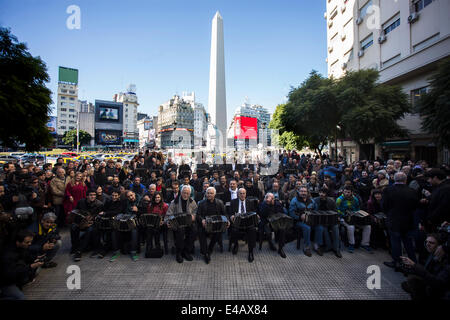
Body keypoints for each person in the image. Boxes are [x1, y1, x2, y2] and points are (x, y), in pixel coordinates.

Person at [383, 172, 419, 269]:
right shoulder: (412, 191)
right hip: (407, 220)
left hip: (394, 220)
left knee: (395, 242)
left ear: (394, 179)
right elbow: (416, 206)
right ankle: (413, 262)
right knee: (408, 242)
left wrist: (389, 213)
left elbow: (384, 205)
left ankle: (397, 262)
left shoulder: (388, 190)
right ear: (405, 180)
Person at [400, 233, 450, 300]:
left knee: (413, 282)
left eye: (431, 243)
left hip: (440, 290)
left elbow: (438, 282)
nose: (427, 244)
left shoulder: (446, 261)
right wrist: (410, 267)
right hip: (432, 284)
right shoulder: (431, 254)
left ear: (439, 246)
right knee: (408, 282)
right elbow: (426, 271)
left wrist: (415, 265)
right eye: (426, 242)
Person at [0, 230, 44, 300]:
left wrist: (35, 259)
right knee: (21, 298)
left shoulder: (22, 247)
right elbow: (10, 273)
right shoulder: (8, 255)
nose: (29, 244)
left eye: (30, 242)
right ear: (18, 242)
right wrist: (30, 266)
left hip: (17, 276)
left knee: (37, 269)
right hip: (6, 282)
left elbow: (26, 256)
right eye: (27, 242)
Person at [196, 187, 228, 264]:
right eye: (208, 193)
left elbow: (224, 214)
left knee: (218, 232)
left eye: (211, 193)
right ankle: (205, 253)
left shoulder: (219, 202)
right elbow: (198, 215)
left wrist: (227, 220)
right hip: (205, 224)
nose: (209, 194)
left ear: (215, 194)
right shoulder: (201, 203)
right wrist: (202, 220)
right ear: (206, 194)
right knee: (200, 232)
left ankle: (209, 249)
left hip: (216, 224)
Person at [336, 186, 372, 253]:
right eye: (345, 192)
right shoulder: (339, 199)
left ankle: (365, 244)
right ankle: (351, 244)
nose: (346, 193)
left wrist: (357, 214)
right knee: (351, 227)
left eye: (348, 192)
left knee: (367, 226)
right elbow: (337, 210)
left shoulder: (355, 199)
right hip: (343, 217)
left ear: (352, 192)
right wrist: (344, 214)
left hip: (354, 217)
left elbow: (357, 209)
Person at [166, 186, 197, 263]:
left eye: (187, 193)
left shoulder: (192, 201)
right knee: (180, 231)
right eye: (184, 192)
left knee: (194, 231)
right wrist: (168, 222)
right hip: (178, 224)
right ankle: (179, 253)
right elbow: (168, 215)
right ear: (181, 192)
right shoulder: (174, 202)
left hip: (189, 223)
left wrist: (194, 216)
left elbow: (196, 211)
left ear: (190, 193)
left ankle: (186, 251)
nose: (185, 194)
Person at [70, 189, 103, 262]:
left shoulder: (99, 204)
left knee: (90, 230)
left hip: (92, 223)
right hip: (81, 222)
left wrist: (91, 222)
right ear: (87, 196)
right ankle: (74, 246)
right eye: (91, 195)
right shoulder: (81, 202)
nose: (93, 197)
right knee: (73, 227)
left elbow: (99, 217)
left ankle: (79, 250)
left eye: (94, 195)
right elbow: (76, 211)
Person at [109, 191, 140, 262]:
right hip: (125, 221)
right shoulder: (125, 202)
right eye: (128, 196)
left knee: (134, 231)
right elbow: (121, 211)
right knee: (114, 230)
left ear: (134, 194)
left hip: (135, 222)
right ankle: (116, 251)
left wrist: (138, 210)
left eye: (131, 195)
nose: (130, 197)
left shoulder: (140, 201)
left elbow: (143, 213)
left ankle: (133, 252)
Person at [229, 188, 258, 262]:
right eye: (240, 193)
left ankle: (250, 251)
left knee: (252, 230)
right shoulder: (233, 202)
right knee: (234, 230)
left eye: (243, 193)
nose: (242, 195)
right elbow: (229, 212)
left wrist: (256, 215)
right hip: (238, 221)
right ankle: (236, 244)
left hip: (247, 221)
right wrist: (231, 216)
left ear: (246, 194)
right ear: (238, 194)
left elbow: (254, 211)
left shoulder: (250, 202)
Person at [288, 186, 318, 256]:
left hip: (310, 220)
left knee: (319, 227)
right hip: (298, 221)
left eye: (305, 191)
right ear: (298, 192)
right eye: (301, 191)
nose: (303, 193)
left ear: (307, 192)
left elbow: (316, 209)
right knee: (307, 228)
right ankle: (306, 247)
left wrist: (313, 214)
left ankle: (317, 245)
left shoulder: (311, 200)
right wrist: (299, 217)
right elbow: (291, 213)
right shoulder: (294, 200)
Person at [313, 188, 342, 258]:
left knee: (335, 228)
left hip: (331, 220)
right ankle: (328, 246)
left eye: (323, 193)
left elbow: (336, 211)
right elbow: (312, 211)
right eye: (320, 192)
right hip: (320, 220)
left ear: (326, 194)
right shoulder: (315, 200)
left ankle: (336, 248)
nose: (321, 194)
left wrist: (337, 216)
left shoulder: (331, 201)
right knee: (324, 229)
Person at [258, 193, 288, 258]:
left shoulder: (277, 204)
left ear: (273, 199)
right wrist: (267, 205)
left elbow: (281, 213)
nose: (269, 200)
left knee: (282, 229)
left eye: (271, 198)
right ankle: (270, 243)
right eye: (268, 198)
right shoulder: (263, 204)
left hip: (276, 222)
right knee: (268, 232)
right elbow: (262, 214)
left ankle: (280, 248)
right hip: (266, 222)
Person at [144, 192, 168, 256]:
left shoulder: (165, 205)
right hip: (152, 223)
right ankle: (149, 245)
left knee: (156, 229)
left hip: (162, 223)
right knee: (149, 229)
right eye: (155, 197)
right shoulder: (150, 205)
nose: (157, 199)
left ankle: (157, 245)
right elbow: (149, 215)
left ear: (161, 198)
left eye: (158, 197)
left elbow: (167, 216)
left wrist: (163, 221)